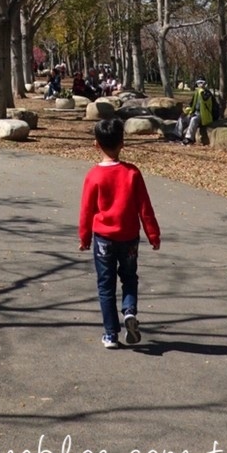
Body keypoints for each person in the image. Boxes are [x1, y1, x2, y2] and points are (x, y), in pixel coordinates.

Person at [78, 116, 161, 349]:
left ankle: (111, 334)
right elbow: (145, 207)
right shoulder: (132, 173)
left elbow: (87, 210)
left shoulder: (93, 176)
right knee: (129, 278)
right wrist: (153, 234)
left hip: (103, 238)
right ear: (122, 142)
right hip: (129, 237)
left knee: (106, 285)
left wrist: (84, 238)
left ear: (96, 144)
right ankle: (129, 312)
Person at [178, 79, 216, 145]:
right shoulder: (196, 93)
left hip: (204, 116)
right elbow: (191, 105)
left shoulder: (207, 93)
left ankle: (188, 138)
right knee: (182, 118)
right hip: (195, 113)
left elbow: (206, 100)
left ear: (205, 83)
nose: (200, 85)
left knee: (194, 119)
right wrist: (186, 112)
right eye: (198, 83)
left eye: (201, 83)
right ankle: (176, 134)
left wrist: (202, 91)